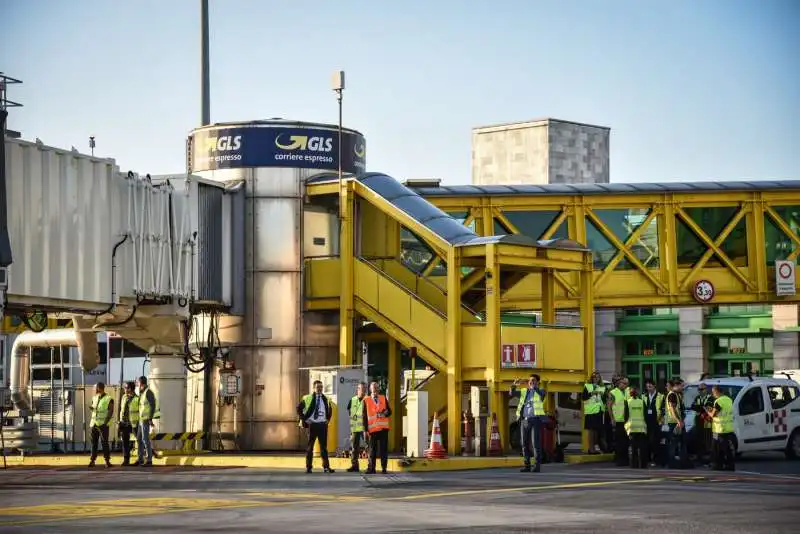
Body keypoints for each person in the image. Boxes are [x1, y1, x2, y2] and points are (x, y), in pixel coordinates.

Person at [510, 374, 547, 473]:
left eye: (534, 380)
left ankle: (537, 466)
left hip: (536, 420)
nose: (531, 382)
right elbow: (511, 393)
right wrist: (514, 385)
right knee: (524, 444)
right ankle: (527, 465)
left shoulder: (541, 391)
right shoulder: (524, 391)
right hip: (525, 420)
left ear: (538, 382)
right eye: (530, 380)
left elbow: (542, 395)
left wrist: (535, 388)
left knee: (535, 443)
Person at [297, 380, 335, 474]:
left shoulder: (326, 398)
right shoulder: (308, 398)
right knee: (310, 447)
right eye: (318, 387)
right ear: (314, 388)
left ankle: (326, 467)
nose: (320, 389)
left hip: (322, 425)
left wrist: (327, 420)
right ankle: (309, 467)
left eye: (321, 387)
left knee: (323, 448)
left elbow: (330, 410)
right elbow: (298, 408)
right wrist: (304, 419)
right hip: (312, 425)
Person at [363, 381, 392, 474]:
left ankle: (384, 468)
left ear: (378, 389)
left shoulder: (383, 398)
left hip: (383, 429)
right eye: (373, 388)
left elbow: (390, 411)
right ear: (370, 389)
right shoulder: (366, 400)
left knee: (383, 449)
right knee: (372, 450)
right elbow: (363, 416)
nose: (375, 389)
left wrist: (386, 412)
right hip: (372, 429)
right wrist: (365, 429)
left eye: (376, 387)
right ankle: (372, 468)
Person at [706, 385, 735, 471]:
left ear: (717, 392)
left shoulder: (718, 401)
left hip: (719, 429)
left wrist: (708, 411)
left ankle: (719, 465)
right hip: (728, 428)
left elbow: (714, 414)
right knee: (725, 448)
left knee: (717, 448)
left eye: (713, 392)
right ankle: (727, 465)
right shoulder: (729, 400)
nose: (713, 394)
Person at [665, 379, 689, 469]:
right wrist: (678, 421)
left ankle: (683, 462)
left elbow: (680, 409)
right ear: (676, 385)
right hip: (674, 423)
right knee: (673, 444)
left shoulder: (677, 395)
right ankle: (672, 463)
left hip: (678, 422)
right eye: (681, 386)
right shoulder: (672, 395)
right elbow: (672, 409)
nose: (682, 388)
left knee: (682, 443)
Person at [88, 382, 114, 468]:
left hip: (103, 424)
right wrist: (92, 408)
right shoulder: (94, 397)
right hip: (94, 424)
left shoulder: (109, 398)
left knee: (104, 443)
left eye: (95, 388)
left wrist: (105, 422)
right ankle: (92, 460)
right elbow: (95, 409)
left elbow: (110, 411)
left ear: (99, 388)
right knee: (93, 443)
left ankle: (107, 461)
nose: (94, 389)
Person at [135, 376, 159, 467]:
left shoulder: (148, 392)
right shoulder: (142, 392)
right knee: (139, 439)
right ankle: (140, 458)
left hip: (145, 420)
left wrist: (150, 418)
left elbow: (152, 405)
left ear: (141, 383)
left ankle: (149, 460)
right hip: (141, 420)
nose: (137, 384)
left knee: (145, 439)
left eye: (138, 383)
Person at [607, 377, 629, 467]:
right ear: (619, 383)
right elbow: (609, 406)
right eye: (623, 383)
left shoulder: (628, 391)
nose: (625, 385)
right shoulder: (613, 392)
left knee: (626, 441)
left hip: (627, 420)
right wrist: (612, 419)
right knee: (619, 441)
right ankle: (619, 459)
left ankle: (626, 459)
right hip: (618, 420)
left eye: (626, 383)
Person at [582, 371, 605, 454]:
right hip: (591, 411)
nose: (596, 379)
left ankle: (594, 448)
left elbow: (603, 399)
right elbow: (583, 397)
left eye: (598, 378)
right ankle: (591, 449)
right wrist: (592, 393)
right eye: (594, 377)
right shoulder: (587, 386)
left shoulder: (602, 387)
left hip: (599, 411)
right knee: (591, 431)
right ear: (591, 378)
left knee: (596, 431)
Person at [346, 382, 367, 473]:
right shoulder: (352, 400)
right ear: (357, 390)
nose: (362, 391)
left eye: (364, 389)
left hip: (365, 427)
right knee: (354, 447)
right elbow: (349, 410)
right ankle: (354, 465)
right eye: (361, 389)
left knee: (369, 446)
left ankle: (371, 466)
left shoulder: (368, 400)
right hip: (355, 428)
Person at [691, 381, 713, 466]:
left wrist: (700, 408)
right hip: (699, 421)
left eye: (702, 389)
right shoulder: (697, 397)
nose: (700, 391)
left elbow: (708, 408)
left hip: (707, 421)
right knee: (699, 439)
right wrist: (702, 408)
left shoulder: (710, 398)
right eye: (699, 389)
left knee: (707, 439)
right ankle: (699, 457)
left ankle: (709, 458)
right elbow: (693, 406)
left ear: (706, 389)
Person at [643, 379, 665, 467]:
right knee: (647, 440)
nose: (649, 388)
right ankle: (648, 458)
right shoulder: (644, 396)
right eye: (647, 387)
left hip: (657, 421)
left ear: (654, 386)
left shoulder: (660, 396)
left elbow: (663, 410)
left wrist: (660, 419)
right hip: (647, 421)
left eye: (650, 386)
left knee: (656, 441)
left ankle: (656, 459)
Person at [625, 387, 648, 469]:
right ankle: (643, 465)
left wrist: (626, 426)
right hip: (641, 428)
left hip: (631, 428)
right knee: (642, 448)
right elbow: (646, 415)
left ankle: (634, 465)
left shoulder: (627, 402)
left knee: (633, 448)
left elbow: (625, 415)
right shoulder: (642, 402)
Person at [118, 381, 140, 467]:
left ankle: (140, 459)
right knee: (125, 442)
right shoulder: (124, 397)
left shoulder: (137, 399)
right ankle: (126, 460)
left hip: (134, 423)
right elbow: (122, 410)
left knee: (139, 441)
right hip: (124, 423)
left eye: (126, 388)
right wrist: (120, 421)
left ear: (130, 389)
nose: (124, 389)